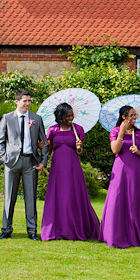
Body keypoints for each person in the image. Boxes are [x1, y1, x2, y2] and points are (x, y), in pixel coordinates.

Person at [40, 103, 100, 241]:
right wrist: (41, 148)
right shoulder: (53, 130)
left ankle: (74, 228)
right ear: (60, 116)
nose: (71, 118)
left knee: (72, 196)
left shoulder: (78, 129)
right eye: (68, 116)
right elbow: (48, 151)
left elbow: (80, 152)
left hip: (73, 168)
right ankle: (56, 229)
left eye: (72, 115)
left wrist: (79, 147)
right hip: (57, 169)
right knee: (59, 196)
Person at [98, 105, 140, 248]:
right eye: (131, 115)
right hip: (120, 169)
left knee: (135, 199)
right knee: (117, 199)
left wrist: (138, 152)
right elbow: (115, 150)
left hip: (136, 170)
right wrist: (122, 132)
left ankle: (136, 234)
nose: (134, 117)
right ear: (123, 117)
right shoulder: (115, 131)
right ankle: (115, 233)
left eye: (135, 115)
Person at [0, 89, 48, 240]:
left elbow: (44, 142)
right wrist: (5, 158)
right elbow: (0, 141)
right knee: (9, 197)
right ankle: (6, 230)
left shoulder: (36, 119)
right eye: (25, 101)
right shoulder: (7, 118)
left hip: (30, 162)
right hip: (12, 162)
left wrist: (43, 162)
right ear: (16, 102)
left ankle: (32, 231)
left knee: (30, 198)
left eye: (29, 101)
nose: (28, 104)